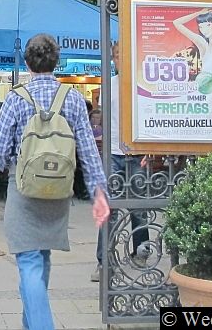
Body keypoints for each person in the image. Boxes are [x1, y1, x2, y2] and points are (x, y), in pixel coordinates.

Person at [0, 34, 109, 330]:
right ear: (56, 60)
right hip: (58, 189)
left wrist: (5, 164)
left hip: (24, 188)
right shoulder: (71, 99)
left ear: (27, 62)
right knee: (41, 257)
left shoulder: (16, 98)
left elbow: (0, 149)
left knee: (29, 261)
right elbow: (86, 149)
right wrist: (99, 191)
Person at [93, 42, 149, 282]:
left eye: (122, 55)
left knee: (139, 206)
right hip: (114, 151)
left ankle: (142, 251)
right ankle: (104, 260)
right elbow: (106, 119)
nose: (119, 59)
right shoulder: (110, 86)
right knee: (109, 208)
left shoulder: (142, 84)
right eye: (116, 55)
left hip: (136, 151)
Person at [172, 7, 212, 86]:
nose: (204, 30)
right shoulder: (203, 43)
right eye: (201, 27)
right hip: (203, 89)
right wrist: (198, 13)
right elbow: (176, 23)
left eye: (207, 25)